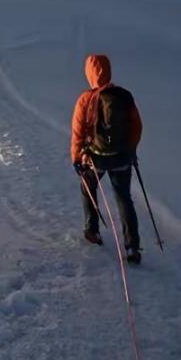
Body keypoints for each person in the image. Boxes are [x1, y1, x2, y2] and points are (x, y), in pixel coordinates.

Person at [70, 53, 143, 262]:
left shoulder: (86, 99)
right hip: (121, 157)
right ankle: (132, 247)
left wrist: (76, 158)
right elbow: (137, 126)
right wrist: (131, 150)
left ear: (89, 73)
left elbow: (77, 131)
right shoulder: (123, 96)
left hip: (97, 157)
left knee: (88, 187)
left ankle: (92, 230)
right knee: (124, 198)